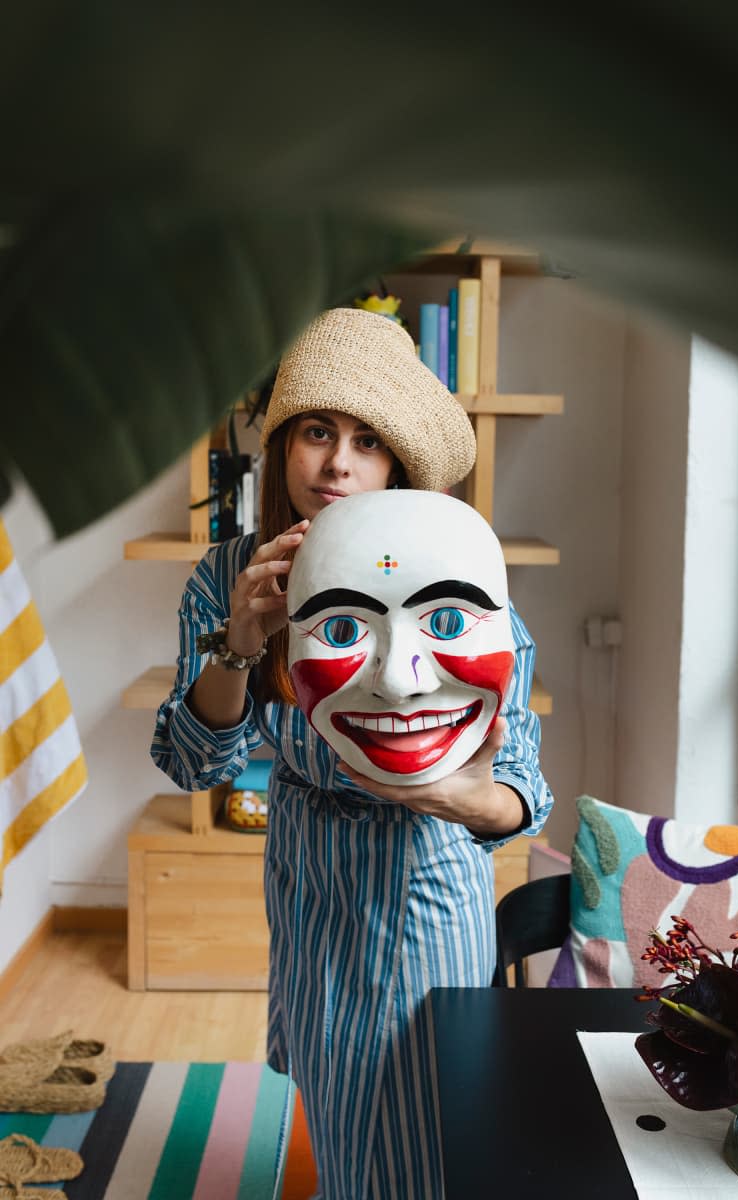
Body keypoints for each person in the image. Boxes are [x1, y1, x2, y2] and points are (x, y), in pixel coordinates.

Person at [151, 305, 554, 1200]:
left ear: (400, 465)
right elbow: (194, 764)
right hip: (309, 880)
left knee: (429, 1133)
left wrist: (451, 797)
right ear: (283, 445)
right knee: (339, 1120)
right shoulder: (226, 578)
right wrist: (242, 644)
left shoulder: (452, 576)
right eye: (318, 432)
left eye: (368, 441)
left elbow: (521, 794)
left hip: (427, 876)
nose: (338, 461)